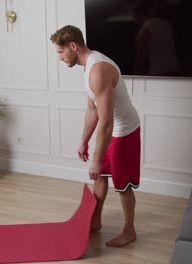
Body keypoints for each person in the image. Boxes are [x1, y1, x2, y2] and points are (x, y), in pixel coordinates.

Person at [50, 25, 141, 247]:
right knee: (99, 176)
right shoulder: (87, 67)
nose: (60, 58)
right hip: (111, 130)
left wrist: (95, 159)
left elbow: (107, 120)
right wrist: (83, 141)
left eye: (61, 52)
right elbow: (92, 111)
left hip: (124, 131)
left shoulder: (98, 70)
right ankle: (96, 221)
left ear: (73, 46)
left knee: (123, 185)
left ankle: (129, 231)